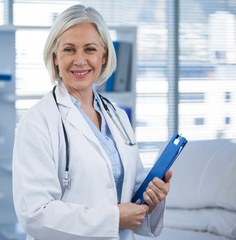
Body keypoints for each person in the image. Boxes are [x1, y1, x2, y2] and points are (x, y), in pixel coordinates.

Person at [12, 4, 172, 240]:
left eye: (90, 49)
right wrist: (114, 218)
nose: (80, 60)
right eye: (69, 49)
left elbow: (132, 200)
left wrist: (153, 199)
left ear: (103, 55)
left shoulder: (117, 116)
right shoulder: (38, 122)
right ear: (55, 57)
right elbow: (35, 214)